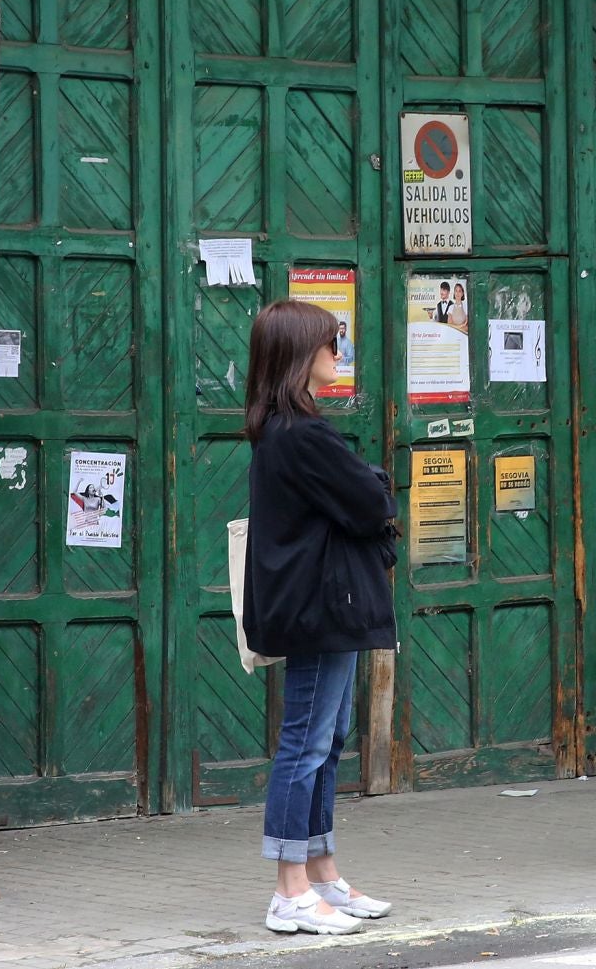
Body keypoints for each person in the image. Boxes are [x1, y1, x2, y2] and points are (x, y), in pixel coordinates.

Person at [242, 300, 399, 934]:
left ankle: (322, 872)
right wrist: (374, 482)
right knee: (305, 745)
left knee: (325, 743)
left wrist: (368, 485)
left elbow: (363, 497)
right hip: (320, 607)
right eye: (332, 345)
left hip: (323, 606)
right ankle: (288, 890)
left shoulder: (288, 428)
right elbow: (371, 501)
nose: (341, 355)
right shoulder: (302, 433)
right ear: (299, 355)